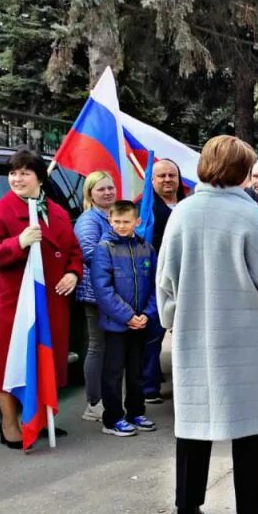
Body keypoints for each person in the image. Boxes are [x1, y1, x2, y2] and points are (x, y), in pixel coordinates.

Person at [156, 135, 258, 514]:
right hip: (246, 337)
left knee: (192, 424)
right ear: (241, 172)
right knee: (248, 427)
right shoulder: (251, 217)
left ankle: (186, 511)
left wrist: (176, 317)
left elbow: (165, 280)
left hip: (194, 333)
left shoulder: (182, 214)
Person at [0, 148, 83, 448]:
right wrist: (17, 243)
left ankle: (38, 419)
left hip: (51, 302)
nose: (17, 178)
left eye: (25, 172)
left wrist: (73, 273)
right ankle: (10, 424)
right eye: (13, 172)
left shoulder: (57, 212)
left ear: (39, 177)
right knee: (12, 363)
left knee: (46, 359)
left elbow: (74, 252)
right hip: (14, 303)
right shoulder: (1, 210)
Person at [91, 200, 158, 437]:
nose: (121, 226)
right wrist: (128, 316)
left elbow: (154, 286)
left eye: (126, 222)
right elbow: (103, 289)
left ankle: (136, 412)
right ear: (110, 220)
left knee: (136, 370)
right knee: (113, 372)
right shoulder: (104, 249)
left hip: (141, 321)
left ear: (136, 222)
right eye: (116, 221)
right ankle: (112, 418)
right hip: (116, 324)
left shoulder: (146, 248)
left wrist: (146, 315)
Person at [74, 170, 116, 422]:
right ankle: (93, 403)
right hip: (96, 294)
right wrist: (118, 267)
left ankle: (106, 398)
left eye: (110, 188)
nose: (108, 192)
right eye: (101, 189)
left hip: (112, 292)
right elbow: (89, 254)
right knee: (97, 347)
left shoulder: (112, 215)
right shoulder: (89, 220)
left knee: (110, 348)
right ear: (90, 193)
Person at [144, 158, 185, 405]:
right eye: (162, 176)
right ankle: (149, 385)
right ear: (152, 180)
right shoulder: (144, 208)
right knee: (154, 333)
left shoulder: (188, 204)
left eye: (172, 175)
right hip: (156, 278)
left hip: (186, 277)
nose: (168, 180)